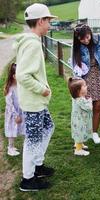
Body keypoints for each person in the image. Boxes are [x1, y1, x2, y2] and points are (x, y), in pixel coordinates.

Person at [14, 3, 57, 191]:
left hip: (36, 102)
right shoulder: (32, 44)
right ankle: (28, 179)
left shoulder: (31, 41)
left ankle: (38, 165)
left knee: (48, 127)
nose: (50, 25)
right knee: (32, 140)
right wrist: (43, 89)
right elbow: (22, 75)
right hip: (34, 102)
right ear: (40, 21)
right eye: (48, 21)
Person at [68, 77, 93, 156]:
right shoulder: (80, 100)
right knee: (80, 132)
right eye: (84, 86)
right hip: (80, 121)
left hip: (77, 119)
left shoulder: (76, 98)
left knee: (78, 132)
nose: (87, 87)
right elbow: (88, 108)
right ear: (79, 91)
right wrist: (90, 102)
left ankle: (79, 144)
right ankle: (78, 150)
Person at [4, 63, 24, 156]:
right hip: (12, 113)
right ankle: (10, 148)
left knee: (22, 127)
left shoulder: (20, 86)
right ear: (14, 76)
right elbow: (9, 103)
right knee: (12, 130)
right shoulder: (10, 88)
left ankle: (26, 144)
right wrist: (15, 115)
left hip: (21, 111)